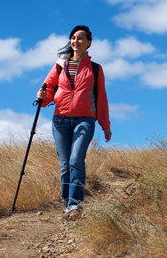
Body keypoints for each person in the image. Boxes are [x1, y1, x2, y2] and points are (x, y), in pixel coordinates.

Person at [37, 25, 112, 219]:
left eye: (80, 38)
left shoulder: (95, 69)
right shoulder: (60, 65)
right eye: (73, 38)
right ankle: (67, 206)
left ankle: (75, 206)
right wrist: (43, 97)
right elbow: (48, 90)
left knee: (76, 160)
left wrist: (105, 125)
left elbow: (101, 98)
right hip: (60, 118)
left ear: (88, 43)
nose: (75, 41)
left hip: (85, 119)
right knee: (65, 165)